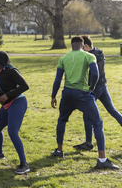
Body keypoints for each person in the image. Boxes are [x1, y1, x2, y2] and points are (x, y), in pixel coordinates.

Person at [50, 36, 119, 169]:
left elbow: (57, 79)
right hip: (82, 94)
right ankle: (102, 159)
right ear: (83, 45)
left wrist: (53, 96)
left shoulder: (63, 58)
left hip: (67, 94)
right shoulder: (89, 56)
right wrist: (92, 87)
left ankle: (59, 151)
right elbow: (95, 74)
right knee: (98, 123)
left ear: (71, 46)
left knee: (62, 120)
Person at [0, 51, 30, 175]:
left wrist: (8, 95)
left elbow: (24, 86)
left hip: (18, 102)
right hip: (7, 104)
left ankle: (24, 164)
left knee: (13, 132)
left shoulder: (10, 71)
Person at [72, 35, 122, 150]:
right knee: (112, 110)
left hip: (94, 88)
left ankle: (88, 143)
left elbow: (92, 74)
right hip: (103, 86)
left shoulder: (89, 56)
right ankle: (88, 142)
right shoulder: (99, 52)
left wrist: (90, 87)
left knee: (87, 114)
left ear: (85, 46)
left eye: (81, 47)